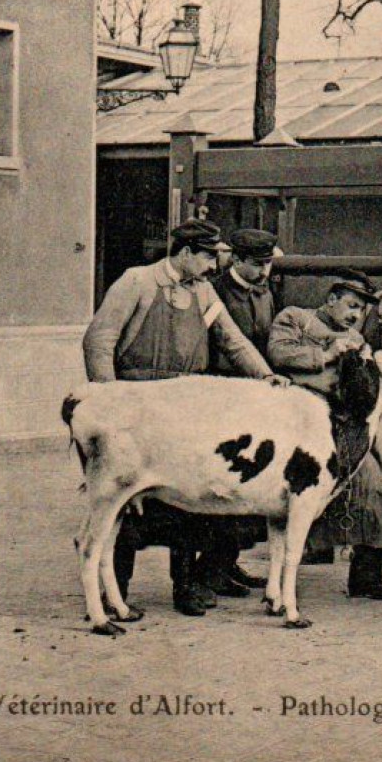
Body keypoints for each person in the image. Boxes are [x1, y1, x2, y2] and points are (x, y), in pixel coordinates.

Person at [82, 218, 283, 617]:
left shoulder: (204, 291)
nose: (213, 266)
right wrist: (109, 402)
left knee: (187, 500)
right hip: (136, 407)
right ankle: (113, 588)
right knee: (124, 499)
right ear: (187, 253)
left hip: (186, 407)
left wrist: (265, 376)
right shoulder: (136, 282)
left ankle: (185, 587)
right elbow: (98, 340)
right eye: (209, 257)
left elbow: (232, 340)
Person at [269, 270, 382, 601]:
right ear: (331, 299)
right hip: (293, 426)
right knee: (284, 502)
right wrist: (325, 355)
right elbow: (277, 353)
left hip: (342, 426)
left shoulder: (357, 339)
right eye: (351, 305)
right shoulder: (296, 318)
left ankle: (366, 577)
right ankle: (279, 581)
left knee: (375, 492)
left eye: (361, 309)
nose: (355, 315)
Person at [199, 227, 282, 595]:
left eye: (267, 264)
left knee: (248, 485)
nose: (264, 272)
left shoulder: (265, 292)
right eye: (257, 264)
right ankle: (210, 569)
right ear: (236, 259)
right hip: (223, 397)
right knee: (225, 485)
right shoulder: (214, 290)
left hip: (254, 396)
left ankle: (227, 562)